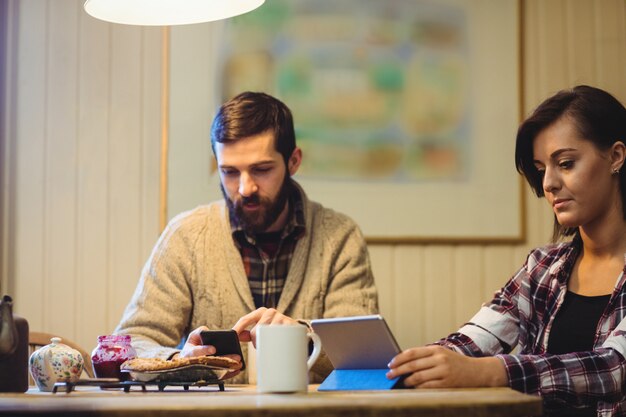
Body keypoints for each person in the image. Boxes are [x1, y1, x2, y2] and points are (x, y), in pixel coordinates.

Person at [387, 85, 626, 417]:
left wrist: (491, 371)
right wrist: (413, 366)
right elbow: (473, 341)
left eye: (566, 163)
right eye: (541, 169)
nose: (548, 184)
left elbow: (614, 367)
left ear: (616, 156)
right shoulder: (542, 267)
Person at [115, 91, 379, 383]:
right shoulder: (186, 237)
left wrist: (302, 339)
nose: (245, 188)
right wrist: (180, 361)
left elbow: (362, 358)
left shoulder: (339, 238)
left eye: (262, 170)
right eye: (229, 171)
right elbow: (130, 344)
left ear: (293, 161)